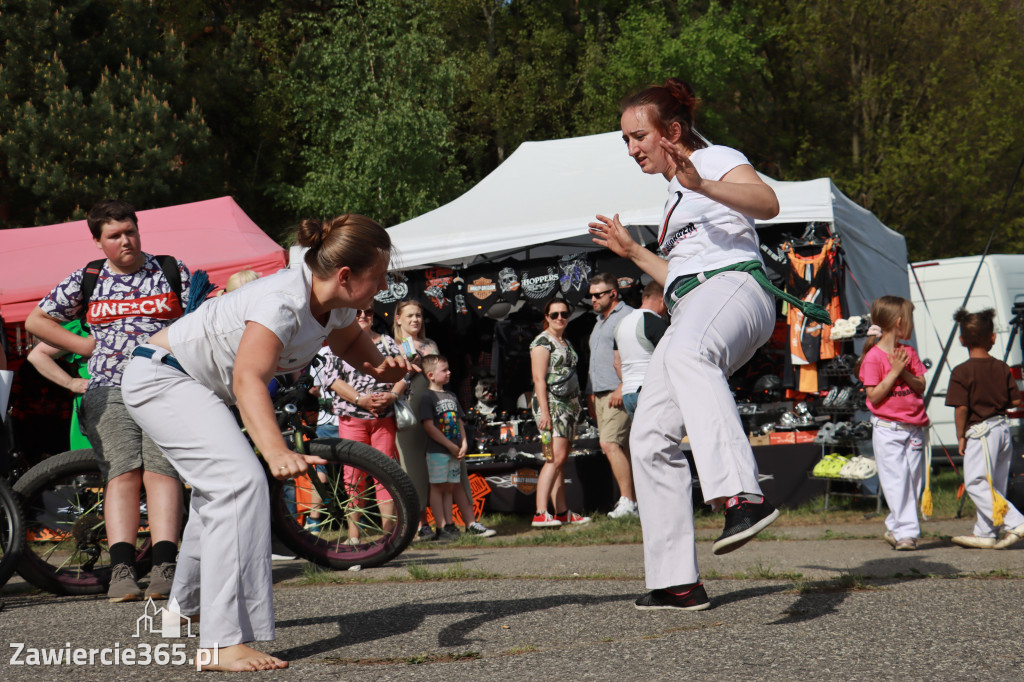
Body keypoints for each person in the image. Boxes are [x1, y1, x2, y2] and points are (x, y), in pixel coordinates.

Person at [121, 213, 412, 671]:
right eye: (377, 279)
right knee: (240, 484)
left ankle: (184, 609)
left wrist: (379, 367)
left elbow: (349, 340)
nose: (381, 288)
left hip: (188, 383)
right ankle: (221, 643)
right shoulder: (281, 301)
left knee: (219, 491)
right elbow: (248, 379)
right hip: (161, 378)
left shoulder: (331, 303)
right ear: (344, 275)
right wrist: (275, 451)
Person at [588, 78, 784, 611]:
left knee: (686, 352)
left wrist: (704, 185)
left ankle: (744, 495)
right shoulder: (674, 197)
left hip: (737, 289)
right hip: (695, 300)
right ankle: (677, 581)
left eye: (637, 137)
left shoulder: (716, 158)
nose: (631, 150)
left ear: (671, 131)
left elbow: (768, 202)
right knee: (649, 438)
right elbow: (677, 274)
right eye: (625, 141)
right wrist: (632, 251)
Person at [25, 199, 188, 603]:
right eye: (114, 235)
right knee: (123, 473)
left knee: (161, 470)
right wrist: (82, 344)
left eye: (130, 231)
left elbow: (202, 318)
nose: (126, 241)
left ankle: (166, 566)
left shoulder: (170, 269)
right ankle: (122, 571)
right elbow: (35, 320)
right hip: (108, 388)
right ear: (98, 241)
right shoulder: (89, 278)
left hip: (165, 383)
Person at [321, 302, 408, 542]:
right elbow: (331, 379)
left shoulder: (388, 342)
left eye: (368, 312)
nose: (362, 316)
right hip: (352, 418)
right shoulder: (339, 342)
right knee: (353, 477)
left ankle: (388, 536)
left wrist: (393, 395)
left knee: (385, 474)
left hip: (383, 418)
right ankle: (353, 535)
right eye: (357, 312)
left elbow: (404, 373)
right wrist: (360, 399)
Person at [945, 308, 1024, 549]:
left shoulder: (961, 371)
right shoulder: (1001, 367)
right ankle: (986, 532)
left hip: (980, 433)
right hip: (1002, 430)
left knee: (976, 483)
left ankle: (1017, 521)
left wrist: (960, 435)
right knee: (995, 485)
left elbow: (961, 409)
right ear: (993, 337)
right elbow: (1016, 401)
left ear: (961, 341)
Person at [857, 295, 929, 551]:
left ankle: (895, 526)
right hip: (888, 430)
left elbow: (920, 386)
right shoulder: (874, 357)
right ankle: (907, 534)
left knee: (913, 482)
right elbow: (874, 396)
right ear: (899, 322)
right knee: (897, 482)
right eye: (909, 320)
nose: (911, 326)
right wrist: (895, 371)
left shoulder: (908, 352)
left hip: (915, 428)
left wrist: (905, 370)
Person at [418, 354, 496, 539]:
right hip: (438, 451)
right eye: (444, 370)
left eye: (448, 369)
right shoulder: (427, 397)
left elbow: (459, 421)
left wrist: (463, 442)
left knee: (450, 488)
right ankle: (441, 525)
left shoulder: (451, 395)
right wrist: (448, 445)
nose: (449, 372)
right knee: (438, 487)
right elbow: (429, 426)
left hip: (454, 450)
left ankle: (450, 524)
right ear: (430, 375)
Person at [608, 280, 668, 519]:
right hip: (649, 392)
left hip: (630, 392)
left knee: (643, 451)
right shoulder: (654, 321)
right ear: (661, 299)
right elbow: (669, 358)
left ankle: (645, 504)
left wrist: (628, 383)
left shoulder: (621, 323)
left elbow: (616, 362)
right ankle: (659, 505)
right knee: (660, 450)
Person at [530, 298, 588, 528]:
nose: (560, 318)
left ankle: (562, 511)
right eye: (554, 315)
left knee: (560, 459)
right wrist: (545, 412)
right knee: (554, 458)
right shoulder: (542, 343)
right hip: (552, 406)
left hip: (568, 407)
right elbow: (538, 379)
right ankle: (541, 512)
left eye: (564, 313)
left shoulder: (563, 341)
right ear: (546, 317)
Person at [392, 300, 446, 540]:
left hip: (433, 407)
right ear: (398, 319)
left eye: (419, 315)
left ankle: (443, 522)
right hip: (410, 409)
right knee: (411, 467)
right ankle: (417, 523)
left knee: (432, 467)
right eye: (410, 316)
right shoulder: (392, 345)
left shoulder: (431, 343)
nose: (416, 320)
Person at [585, 272, 637, 517]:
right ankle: (635, 502)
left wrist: (621, 386)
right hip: (600, 393)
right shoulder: (599, 320)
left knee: (609, 443)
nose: (593, 299)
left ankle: (627, 501)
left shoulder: (627, 316)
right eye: (591, 295)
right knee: (621, 447)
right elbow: (596, 360)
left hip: (618, 391)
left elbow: (634, 355)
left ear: (613, 294)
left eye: (598, 295)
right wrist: (591, 393)